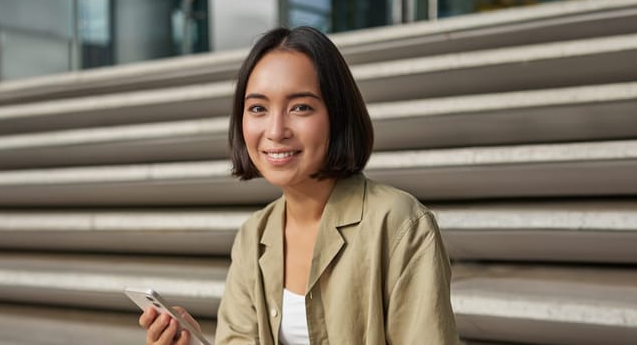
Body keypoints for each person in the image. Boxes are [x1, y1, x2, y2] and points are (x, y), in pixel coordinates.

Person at [139, 26, 458, 345]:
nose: (276, 130)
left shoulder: (400, 223)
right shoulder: (254, 235)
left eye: (300, 107)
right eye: (258, 108)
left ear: (337, 115)